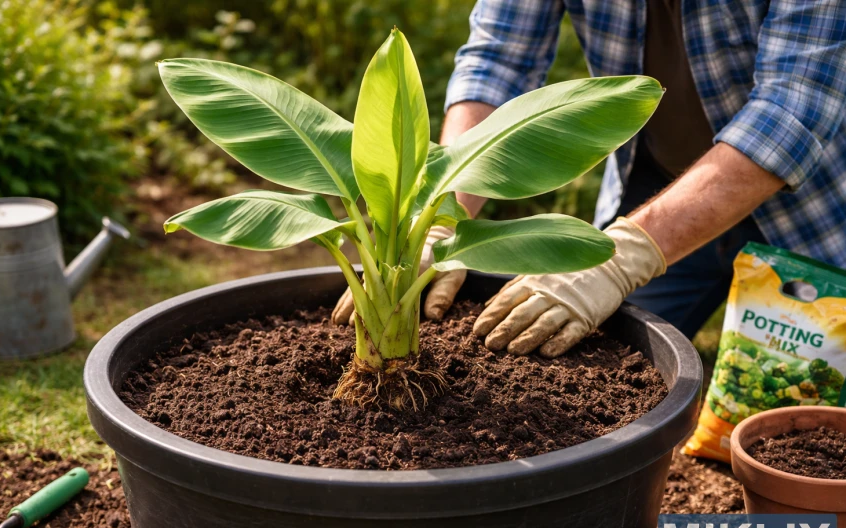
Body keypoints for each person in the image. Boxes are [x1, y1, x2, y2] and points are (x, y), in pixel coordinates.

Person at [335, 0, 846, 358]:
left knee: (804, 428)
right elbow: (498, 63)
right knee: (588, 355)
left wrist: (626, 255)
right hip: (657, 188)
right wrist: (441, 216)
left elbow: (791, 113)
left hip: (814, 210)